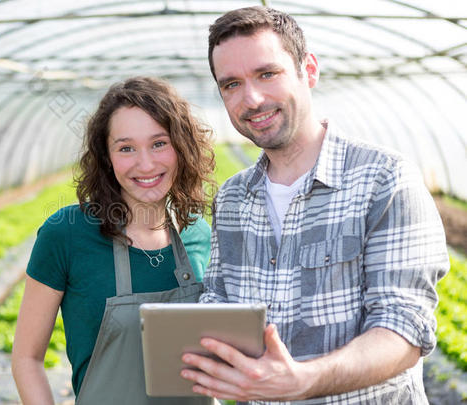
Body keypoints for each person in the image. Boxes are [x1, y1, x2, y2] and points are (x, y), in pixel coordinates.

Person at [180, 6, 449, 404]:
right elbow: (219, 300)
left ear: (308, 71)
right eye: (231, 84)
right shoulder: (234, 198)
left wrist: (303, 380)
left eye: (267, 74)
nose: (251, 98)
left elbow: (404, 329)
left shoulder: (384, 180)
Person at [12, 76, 216, 404]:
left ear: (181, 147)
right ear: (106, 157)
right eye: (126, 148)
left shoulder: (198, 234)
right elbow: (27, 358)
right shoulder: (66, 234)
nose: (146, 163)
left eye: (159, 143)